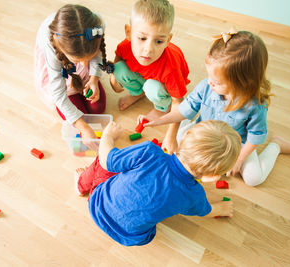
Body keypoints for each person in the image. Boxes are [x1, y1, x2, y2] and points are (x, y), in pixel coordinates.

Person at [139, 30, 290, 186]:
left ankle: (277, 146)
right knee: (181, 140)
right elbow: (184, 110)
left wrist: (239, 159)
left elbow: (256, 136)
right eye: (209, 76)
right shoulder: (207, 86)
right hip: (206, 134)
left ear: (243, 82)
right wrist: (159, 120)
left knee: (254, 178)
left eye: (216, 82)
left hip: (235, 145)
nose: (209, 82)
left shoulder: (255, 105)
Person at [74, 120, 241, 246]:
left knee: (101, 161)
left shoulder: (149, 151)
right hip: (132, 236)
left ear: (183, 139)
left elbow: (107, 161)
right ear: (212, 177)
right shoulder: (195, 195)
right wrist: (221, 209)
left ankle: (80, 185)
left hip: (97, 205)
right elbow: (205, 211)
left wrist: (107, 136)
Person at [109, 0, 190, 154]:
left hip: (161, 85)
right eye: (142, 38)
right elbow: (117, 62)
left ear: (168, 40)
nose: (148, 50)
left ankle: (160, 108)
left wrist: (171, 136)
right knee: (118, 69)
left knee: (152, 87)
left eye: (159, 41)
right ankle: (138, 93)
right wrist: (114, 80)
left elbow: (179, 102)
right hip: (144, 77)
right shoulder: (124, 46)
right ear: (128, 32)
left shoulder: (170, 67)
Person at [34, 4, 113, 146]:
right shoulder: (51, 47)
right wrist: (83, 128)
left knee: (97, 109)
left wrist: (94, 79)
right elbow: (58, 93)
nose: (83, 65)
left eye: (87, 58)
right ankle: (73, 90)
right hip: (61, 72)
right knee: (80, 118)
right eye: (78, 61)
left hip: (76, 60)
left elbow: (98, 51)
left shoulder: (96, 28)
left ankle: (82, 81)